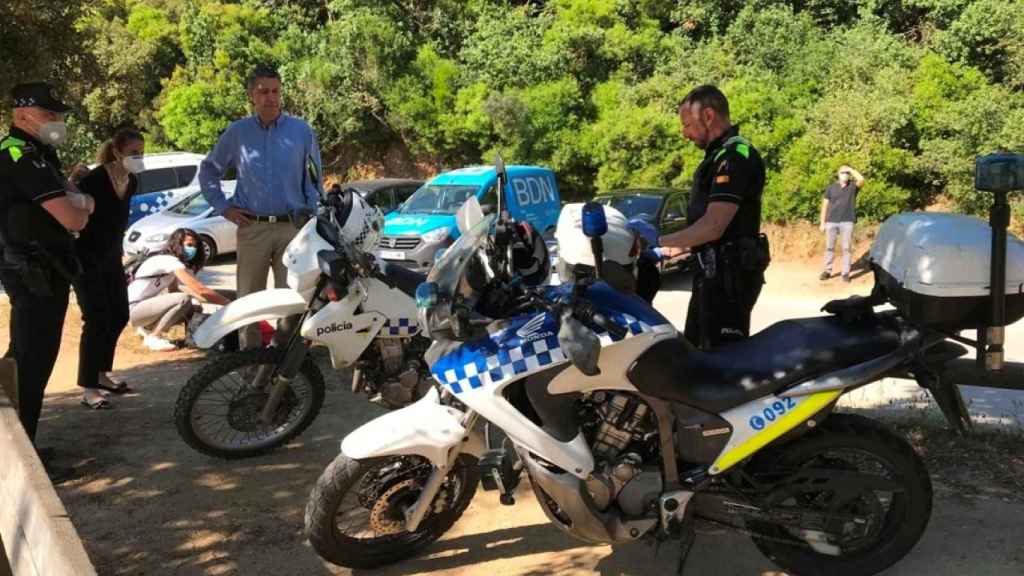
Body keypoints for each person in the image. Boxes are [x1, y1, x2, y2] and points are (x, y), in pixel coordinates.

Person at [0, 82, 93, 474]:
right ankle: (20, 462)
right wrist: (80, 206)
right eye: (49, 114)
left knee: (27, 361)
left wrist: (79, 203)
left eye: (58, 115)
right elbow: (76, 215)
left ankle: (24, 449)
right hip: (32, 271)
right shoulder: (19, 155)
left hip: (46, 270)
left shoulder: (40, 153)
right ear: (22, 115)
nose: (57, 121)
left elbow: (78, 200)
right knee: (28, 364)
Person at [198, 64, 322, 349]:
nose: (270, 97)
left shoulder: (301, 132)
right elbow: (209, 171)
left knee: (291, 301)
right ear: (251, 95)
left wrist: (312, 220)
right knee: (247, 303)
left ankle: (280, 366)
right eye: (263, 91)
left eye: (275, 91)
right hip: (251, 228)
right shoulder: (237, 133)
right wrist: (223, 207)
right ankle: (250, 369)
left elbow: (314, 180)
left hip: (293, 230)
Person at [659, 85, 770, 350]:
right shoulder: (718, 156)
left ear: (708, 116)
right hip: (712, 273)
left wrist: (659, 239)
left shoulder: (734, 156)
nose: (684, 133)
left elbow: (713, 226)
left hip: (728, 277)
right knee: (697, 352)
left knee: (721, 360)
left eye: (687, 124)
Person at [73, 128, 145, 409]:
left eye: (142, 152)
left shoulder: (133, 181)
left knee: (119, 315)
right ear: (116, 152)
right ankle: (89, 389)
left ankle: (102, 374)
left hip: (111, 257)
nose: (139, 158)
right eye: (133, 153)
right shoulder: (94, 180)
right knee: (97, 317)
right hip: (85, 258)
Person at [128, 228, 231, 350]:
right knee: (184, 299)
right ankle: (154, 337)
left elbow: (174, 290)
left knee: (192, 305)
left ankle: (192, 338)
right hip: (133, 309)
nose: (193, 249)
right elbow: (200, 289)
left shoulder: (170, 261)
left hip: (141, 309)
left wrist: (196, 302)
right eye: (189, 245)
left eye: (195, 246)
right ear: (177, 244)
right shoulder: (170, 261)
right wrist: (228, 304)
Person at [819, 165, 865, 282]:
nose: (844, 174)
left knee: (846, 248)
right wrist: (822, 223)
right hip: (831, 222)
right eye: (842, 172)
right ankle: (827, 271)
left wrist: (850, 170)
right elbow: (825, 205)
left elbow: (861, 180)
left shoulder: (853, 187)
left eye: (846, 173)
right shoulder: (831, 188)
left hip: (847, 221)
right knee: (829, 247)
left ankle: (845, 273)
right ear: (838, 174)